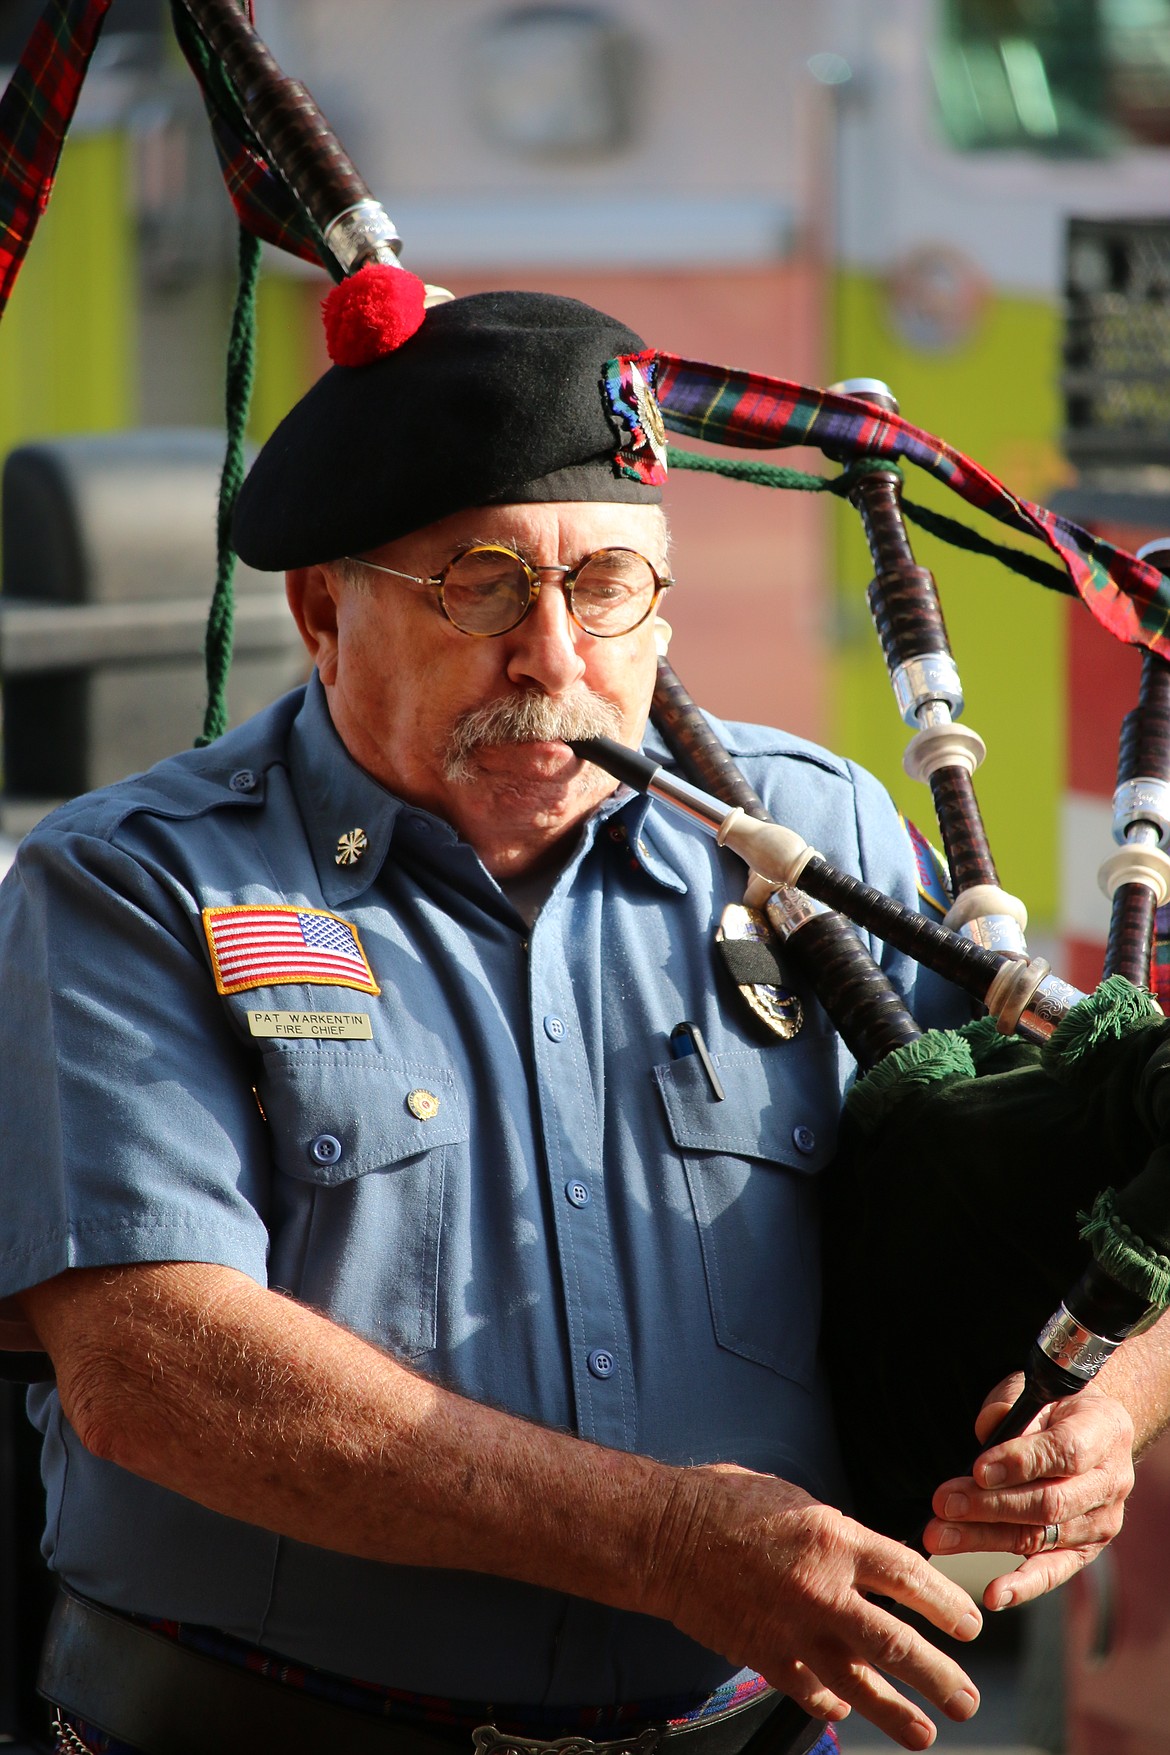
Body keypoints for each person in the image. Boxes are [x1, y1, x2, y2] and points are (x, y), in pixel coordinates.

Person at [0, 292, 1158, 1755]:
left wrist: (1104, 1415)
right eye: (481, 587)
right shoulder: (133, 883)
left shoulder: (811, 834)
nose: (553, 656)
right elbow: (154, 1368)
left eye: (608, 585)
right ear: (319, 613)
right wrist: (664, 1541)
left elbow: (1068, 1189)